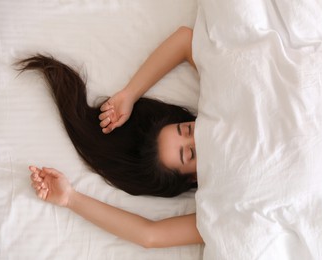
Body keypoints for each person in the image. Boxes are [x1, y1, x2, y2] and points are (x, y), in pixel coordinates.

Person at [26, 26, 204, 247]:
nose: (199, 137)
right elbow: (151, 235)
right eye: (192, 153)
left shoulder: (220, 108)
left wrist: (129, 94)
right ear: (194, 177)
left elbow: (185, 41)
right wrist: (71, 199)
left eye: (189, 130)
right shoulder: (220, 197)